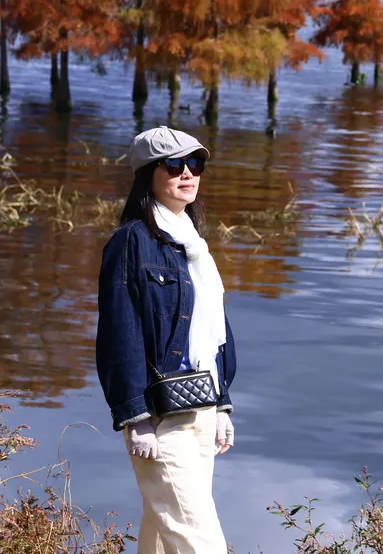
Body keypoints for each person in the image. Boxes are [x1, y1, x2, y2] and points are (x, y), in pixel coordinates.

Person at [96, 126, 236, 554]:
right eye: (174, 165)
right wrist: (134, 417)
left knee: (163, 536)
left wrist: (222, 404)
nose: (188, 174)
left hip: (202, 406)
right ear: (147, 175)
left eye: (196, 164)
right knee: (200, 540)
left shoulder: (193, 245)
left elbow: (214, 332)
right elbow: (120, 333)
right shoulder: (131, 243)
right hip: (159, 414)